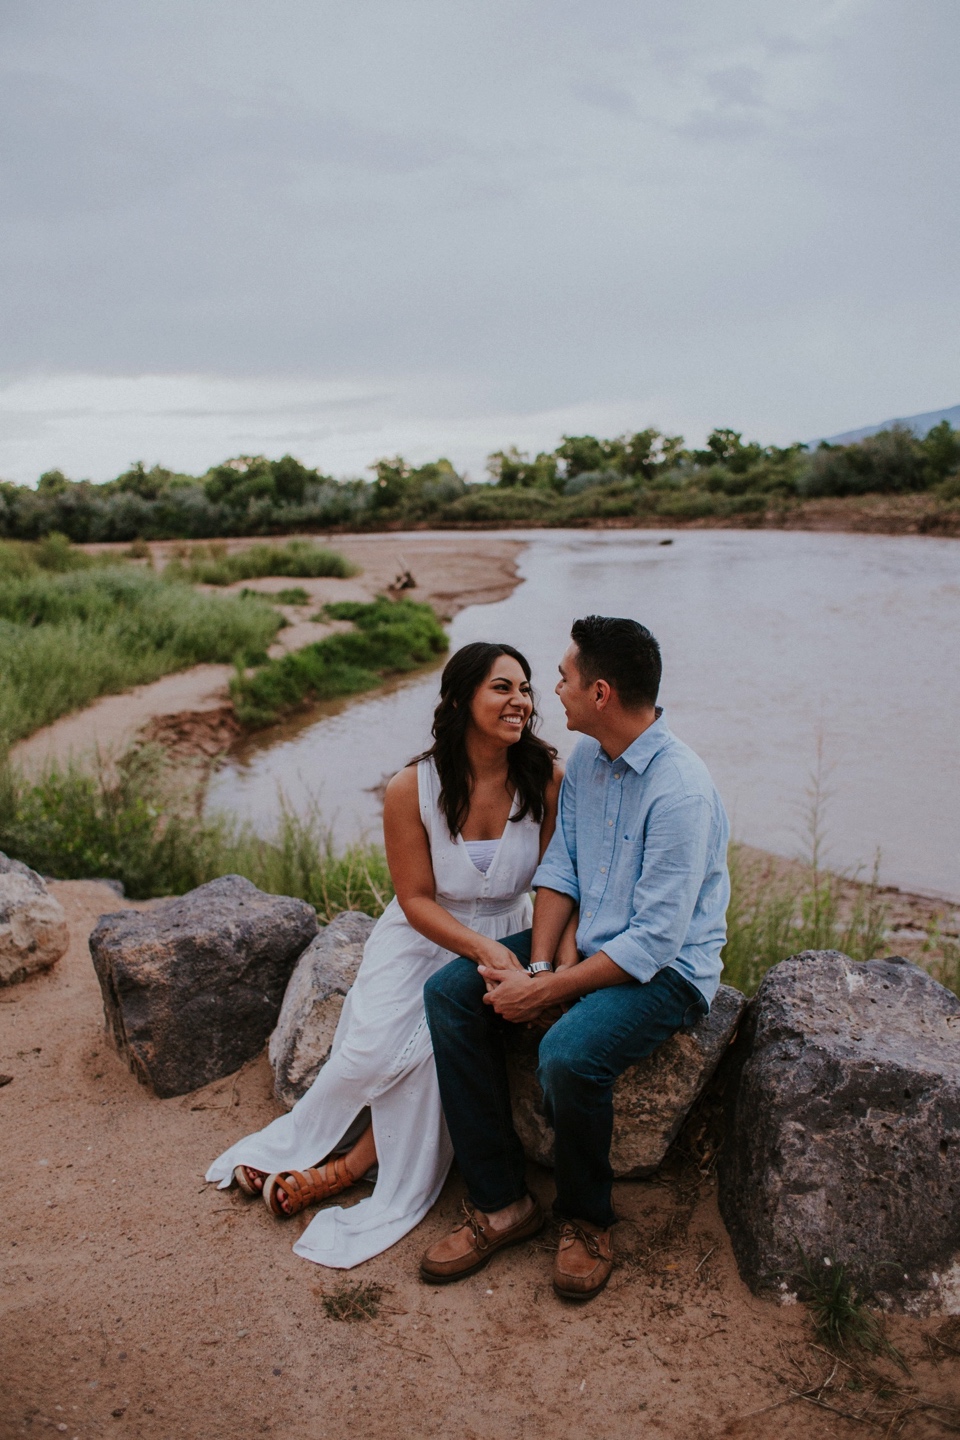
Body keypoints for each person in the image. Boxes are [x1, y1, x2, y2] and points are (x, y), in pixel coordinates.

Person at [206, 641, 566, 1269]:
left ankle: (348, 1169)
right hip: (421, 934)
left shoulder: (547, 779)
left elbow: (558, 883)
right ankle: (301, 1146)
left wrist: (538, 965)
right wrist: (481, 949)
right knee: (367, 1051)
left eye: (527, 689)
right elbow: (416, 898)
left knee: (434, 1050)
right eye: (502, 688)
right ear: (460, 699)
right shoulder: (411, 787)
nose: (521, 701)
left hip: (508, 931)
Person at [420, 615, 730, 1300]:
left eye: (560, 677)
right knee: (449, 994)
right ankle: (503, 1203)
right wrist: (537, 971)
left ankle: (587, 1220)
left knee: (568, 1053)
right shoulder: (589, 758)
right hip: (585, 947)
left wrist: (550, 995)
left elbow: (653, 943)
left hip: (668, 974)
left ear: (599, 693)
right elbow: (561, 867)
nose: (548, 691)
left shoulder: (680, 791)